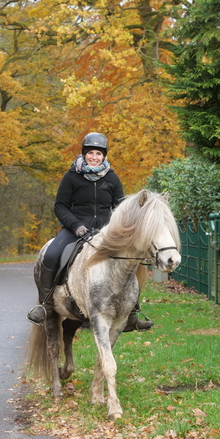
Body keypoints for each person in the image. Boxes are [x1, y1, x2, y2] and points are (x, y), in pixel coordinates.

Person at [26, 132, 153, 332]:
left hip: (106, 231)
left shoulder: (112, 178)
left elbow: (119, 207)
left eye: (98, 154)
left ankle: (131, 312)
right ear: (84, 154)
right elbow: (60, 206)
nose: (94, 157)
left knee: (131, 259)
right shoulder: (71, 177)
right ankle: (45, 305)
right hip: (76, 228)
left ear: (104, 156)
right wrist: (76, 225)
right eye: (91, 153)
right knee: (50, 256)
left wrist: (116, 228)